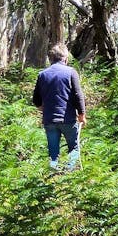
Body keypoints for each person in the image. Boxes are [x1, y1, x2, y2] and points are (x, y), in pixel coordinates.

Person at [32, 43, 86, 172]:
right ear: (65, 58)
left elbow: (36, 99)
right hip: (68, 119)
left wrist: (44, 109)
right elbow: (78, 95)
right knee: (73, 148)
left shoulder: (42, 74)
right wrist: (82, 115)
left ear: (51, 59)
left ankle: (53, 177)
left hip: (49, 120)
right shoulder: (71, 72)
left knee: (53, 152)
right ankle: (69, 175)